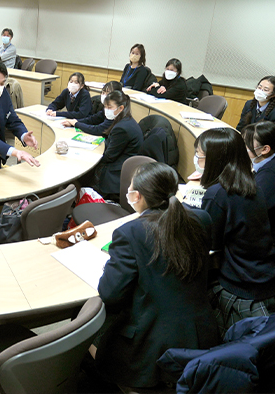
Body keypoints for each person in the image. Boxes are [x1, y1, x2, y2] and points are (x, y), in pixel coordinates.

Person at [93, 162, 220, 389]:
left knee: (90, 328)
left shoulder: (130, 233)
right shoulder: (201, 219)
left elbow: (110, 295)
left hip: (150, 348)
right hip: (201, 335)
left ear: (138, 196)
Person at [195, 127, 275, 335]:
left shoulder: (217, 194)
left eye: (199, 156)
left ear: (213, 160)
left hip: (242, 289)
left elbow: (210, 245)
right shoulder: (250, 182)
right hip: (270, 280)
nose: (197, 160)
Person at [242, 121, 275, 276]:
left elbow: (249, 208)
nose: (242, 147)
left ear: (265, 149)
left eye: (246, 143)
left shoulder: (274, 171)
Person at [84, 90, 143, 201]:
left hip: (117, 169)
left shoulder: (122, 128)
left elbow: (109, 157)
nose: (106, 110)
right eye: (105, 107)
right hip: (122, 161)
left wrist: (90, 156)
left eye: (109, 107)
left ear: (121, 108)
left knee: (85, 170)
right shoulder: (124, 119)